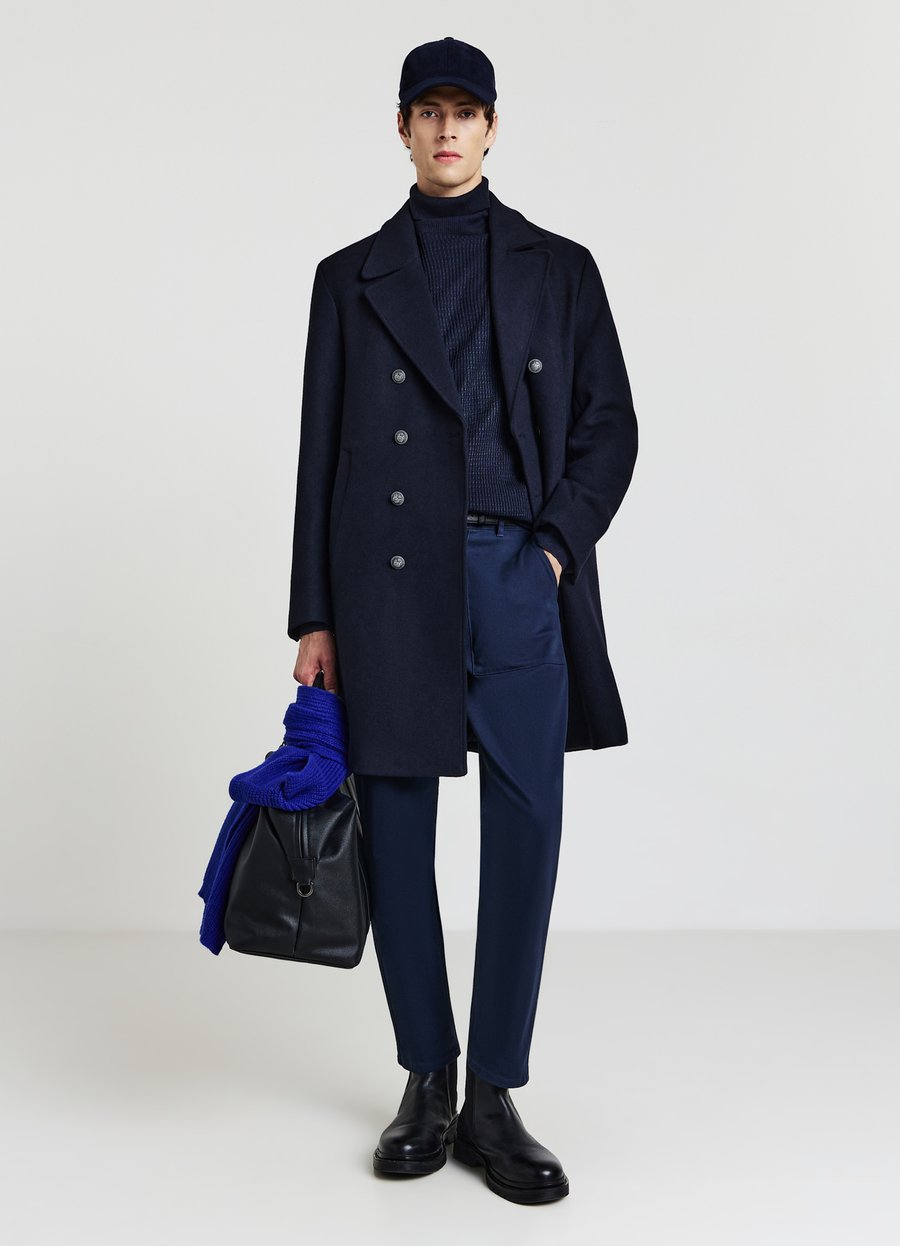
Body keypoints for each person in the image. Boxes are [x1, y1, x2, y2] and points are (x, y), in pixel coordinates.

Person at [288, 37, 638, 1205]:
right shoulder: (350, 278)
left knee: (526, 827)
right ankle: (425, 1078)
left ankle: (494, 1091)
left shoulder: (560, 269)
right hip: (386, 582)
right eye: (427, 112)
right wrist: (314, 615)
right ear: (401, 129)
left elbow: (609, 429)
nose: (446, 130)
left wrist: (552, 550)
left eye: (465, 112)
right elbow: (319, 456)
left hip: (511, 571)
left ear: (492, 127)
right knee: (394, 827)